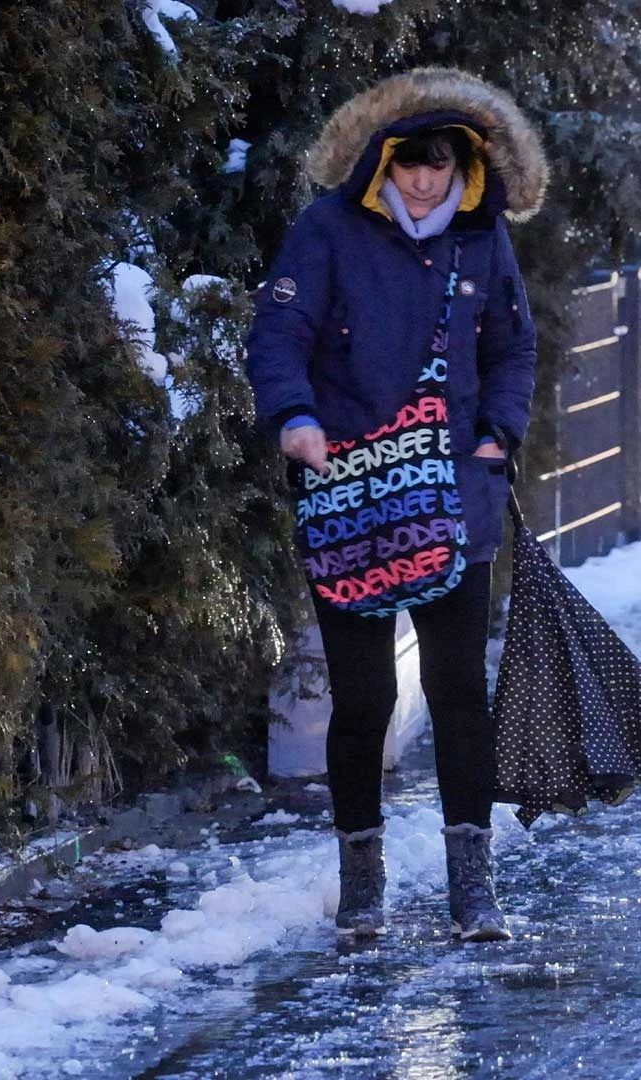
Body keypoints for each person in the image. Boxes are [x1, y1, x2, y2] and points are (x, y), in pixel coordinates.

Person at [244, 68, 545, 943]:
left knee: (458, 690)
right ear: (381, 159)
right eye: (408, 161)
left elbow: (514, 348)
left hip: (457, 491)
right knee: (364, 696)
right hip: (349, 495)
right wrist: (294, 417)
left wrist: (497, 433)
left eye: (439, 162)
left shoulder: (483, 240)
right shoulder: (326, 231)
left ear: (467, 166)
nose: (423, 178)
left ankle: (472, 886)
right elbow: (281, 334)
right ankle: (363, 885)